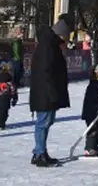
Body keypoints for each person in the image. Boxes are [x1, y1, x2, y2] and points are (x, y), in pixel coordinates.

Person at [29, 14, 73, 167]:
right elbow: (45, 71)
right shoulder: (48, 46)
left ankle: (39, 152)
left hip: (47, 90)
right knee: (44, 122)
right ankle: (40, 154)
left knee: (47, 121)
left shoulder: (50, 44)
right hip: (45, 91)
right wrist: (51, 91)